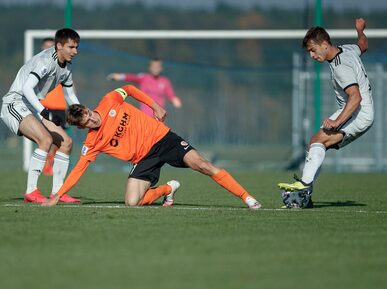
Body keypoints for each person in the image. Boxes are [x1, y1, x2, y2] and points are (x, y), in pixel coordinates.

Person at [43, 85, 262, 209]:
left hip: (164, 139)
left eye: (90, 115)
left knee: (202, 164)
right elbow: (78, 170)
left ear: (89, 109)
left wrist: (155, 105)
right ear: (82, 127)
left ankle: (247, 198)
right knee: (131, 203)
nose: (93, 120)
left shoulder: (109, 100)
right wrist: (57, 196)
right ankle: (168, 189)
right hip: (144, 159)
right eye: (87, 122)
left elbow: (129, 89)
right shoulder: (91, 142)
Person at [278, 18, 374, 208]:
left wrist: (336, 122)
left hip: (359, 113)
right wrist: (360, 31)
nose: (312, 55)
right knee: (316, 144)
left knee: (317, 142)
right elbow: (363, 45)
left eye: (313, 50)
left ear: (324, 44)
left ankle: (304, 188)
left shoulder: (340, 66)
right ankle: (306, 195)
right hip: (357, 111)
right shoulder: (347, 49)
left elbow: (355, 98)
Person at [0, 28, 82, 203]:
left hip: (32, 106)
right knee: (45, 140)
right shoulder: (45, 61)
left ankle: (58, 192)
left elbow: (69, 95)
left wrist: (82, 113)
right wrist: (44, 112)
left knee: (66, 143)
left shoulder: (66, 69)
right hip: (15, 103)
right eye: (71, 47)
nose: (75, 51)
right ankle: (31, 191)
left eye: (76, 47)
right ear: (59, 46)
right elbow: (26, 88)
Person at [107, 58, 182, 117]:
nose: (155, 68)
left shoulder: (165, 81)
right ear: (150, 68)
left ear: (161, 68)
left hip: (158, 117)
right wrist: (119, 76)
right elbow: (131, 77)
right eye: (153, 66)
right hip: (144, 116)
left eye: (157, 67)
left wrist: (175, 100)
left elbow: (171, 95)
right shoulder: (144, 78)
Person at [39, 37, 68, 176]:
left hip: (60, 107)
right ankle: (45, 165)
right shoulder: (38, 65)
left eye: (51, 47)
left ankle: (52, 165)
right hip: (43, 107)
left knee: (61, 140)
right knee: (45, 138)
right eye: (46, 47)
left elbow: (70, 87)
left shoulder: (62, 66)